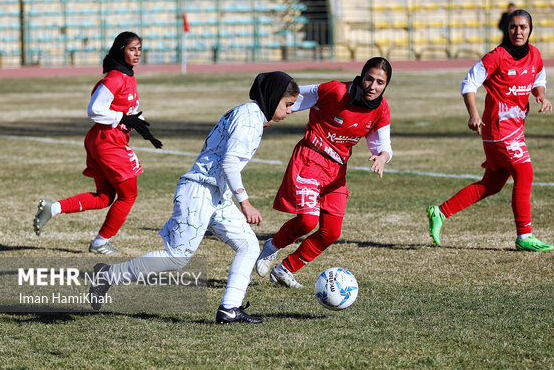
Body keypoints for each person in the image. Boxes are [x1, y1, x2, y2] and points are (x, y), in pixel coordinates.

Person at [89, 72, 300, 324]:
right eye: (288, 104)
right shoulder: (249, 119)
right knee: (177, 257)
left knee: (249, 245)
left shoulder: (252, 114)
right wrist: (245, 202)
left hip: (215, 195)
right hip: (199, 191)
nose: (290, 111)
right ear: (274, 96)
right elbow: (230, 164)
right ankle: (107, 275)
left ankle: (229, 309)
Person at [255, 57, 393, 288]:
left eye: (380, 82)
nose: (373, 86)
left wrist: (382, 157)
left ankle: (285, 270)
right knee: (307, 222)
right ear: (362, 76)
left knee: (331, 232)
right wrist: (267, 113)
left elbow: (384, 145)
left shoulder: (381, 108)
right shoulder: (336, 90)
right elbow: (295, 96)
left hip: (337, 171)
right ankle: (271, 248)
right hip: (310, 159)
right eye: (369, 78)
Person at [426, 9, 554, 252]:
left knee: (492, 184)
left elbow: (538, 79)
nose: (518, 31)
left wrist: (541, 96)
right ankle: (524, 235)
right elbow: (469, 84)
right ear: (507, 29)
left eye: (523, 27)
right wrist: (473, 113)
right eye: (513, 27)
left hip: (515, 129)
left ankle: (440, 212)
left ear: (530, 30)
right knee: (524, 173)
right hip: (498, 129)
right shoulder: (497, 56)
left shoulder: (535, 55)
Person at [33, 32, 162, 254]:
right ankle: (100, 243)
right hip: (108, 141)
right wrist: (122, 119)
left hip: (103, 139)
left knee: (104, 197)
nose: (137, 53)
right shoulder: (115, 77)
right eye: (132, 49)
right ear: (121, 50)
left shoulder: (127, 75)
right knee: (128, 195)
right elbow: (94, 110)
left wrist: (140, 127)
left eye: (140, 48)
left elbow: (125, 111)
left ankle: (52, 208)